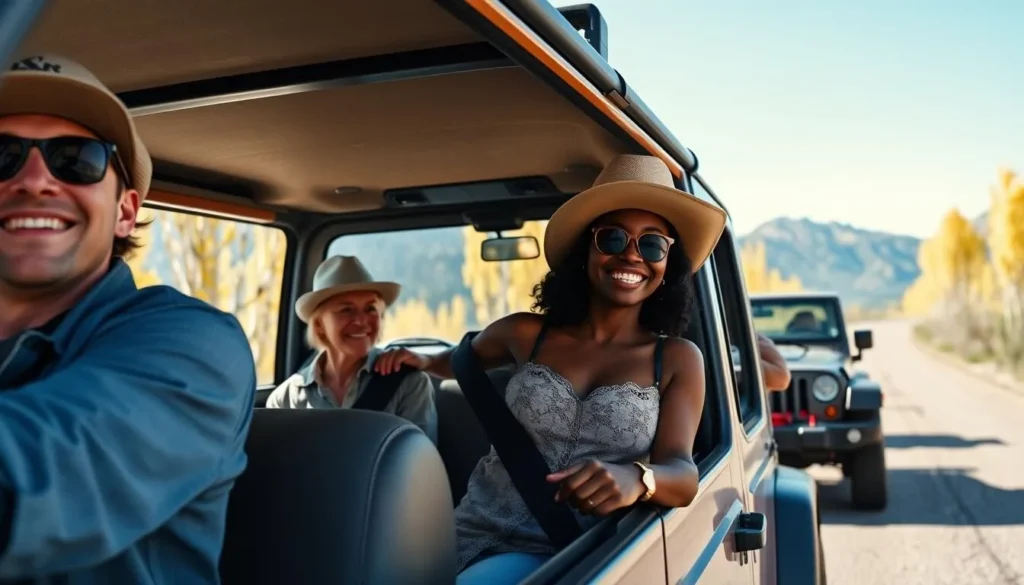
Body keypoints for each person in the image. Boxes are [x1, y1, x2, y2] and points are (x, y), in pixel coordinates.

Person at [374, 154, 728, 584]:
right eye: (613, 238)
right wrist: (424, 361)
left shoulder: (676, 358)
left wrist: (638, 478)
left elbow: (683, 473)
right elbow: (462, 361)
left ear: (668, 263)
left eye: (652, 244)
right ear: (586, 250)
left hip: (585, 554)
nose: (631, 255)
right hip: (467, 533)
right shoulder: (524, 333)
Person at [0, 54, 255, 582]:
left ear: (125, 212)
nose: (34, 180)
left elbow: (34, 472)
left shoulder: (198, 347)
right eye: (1, 156)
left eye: (75, 159)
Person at [265, 255, 437, 443]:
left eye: (370, 309)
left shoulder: (409, 384)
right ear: (319, 324)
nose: (361, 321)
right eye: (346, 310)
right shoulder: (285, 398)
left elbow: (420, 459)